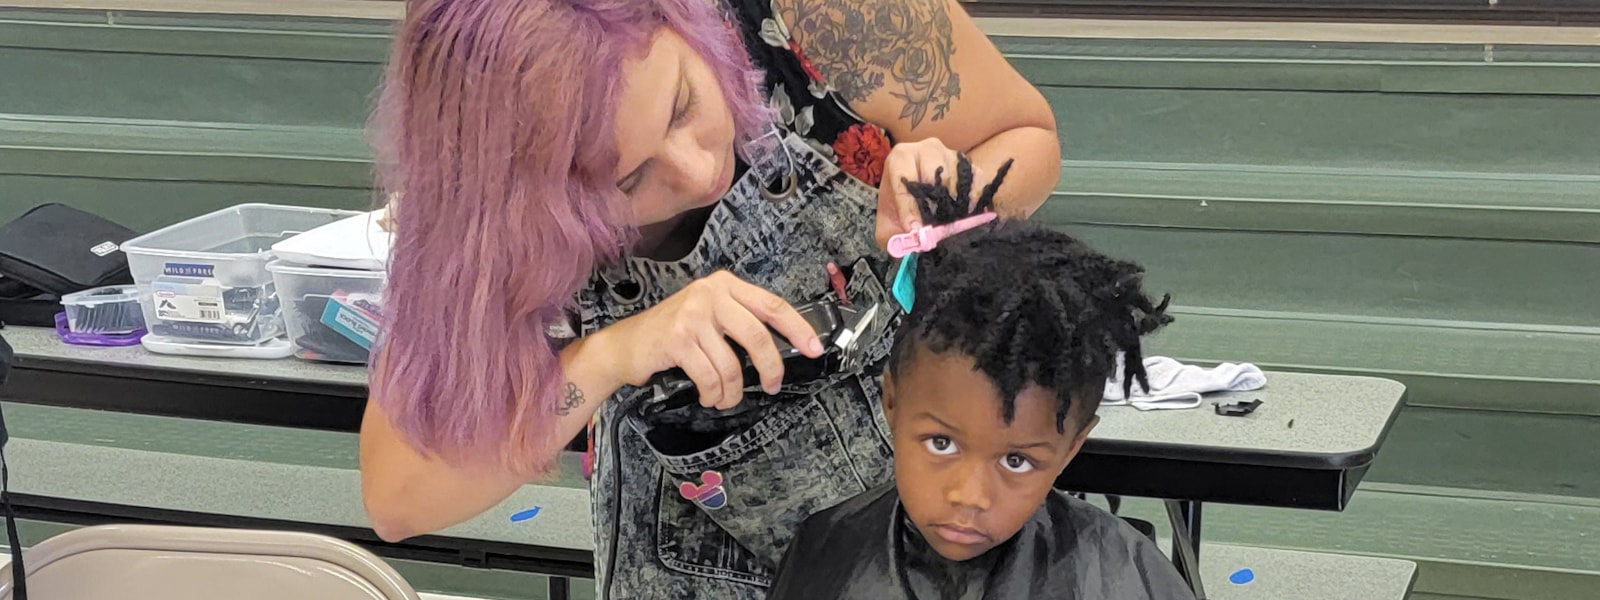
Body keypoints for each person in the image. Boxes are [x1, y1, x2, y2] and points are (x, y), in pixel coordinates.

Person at [357, 0, 1059, 597]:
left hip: (937, 544)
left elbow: (1028, 138)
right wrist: (615, 354)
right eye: (627, 181)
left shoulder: (827, 17)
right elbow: (400, 497)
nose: (697, 171)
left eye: (684, 103)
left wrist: (958, 189)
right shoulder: (481, 208)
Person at [766, 157, 1193, 599]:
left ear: (1072, 448)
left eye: (1016, 461)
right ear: (890, 402)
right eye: (941, 443)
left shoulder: (1122, 579)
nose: (970, 497)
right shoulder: (826, 552)